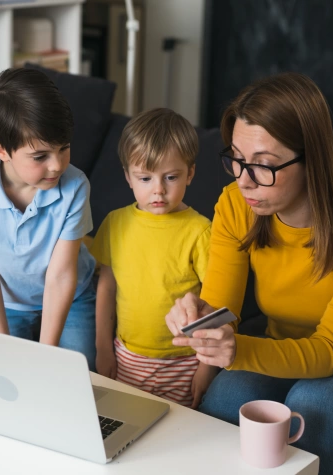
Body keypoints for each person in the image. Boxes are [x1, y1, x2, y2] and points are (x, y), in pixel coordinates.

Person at [164, 73, 333, 474]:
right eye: (237, 160)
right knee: (226, 399)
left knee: (315, 404)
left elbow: (329, 352)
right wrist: (198, 319)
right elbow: (221, 309)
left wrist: (237, 350)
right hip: (289, 354)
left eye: (263, 166)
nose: (244, 180)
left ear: (312, 159)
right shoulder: (237, 204)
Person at [0, 68, 97, 370]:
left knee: (76, 374)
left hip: (72, 294)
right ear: (1, 150)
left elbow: (61, 275)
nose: (57, 165)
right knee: (6, 375)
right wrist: (0, 344)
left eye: (64, 148)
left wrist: (46, 353)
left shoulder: (75, 186)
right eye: (40, 156)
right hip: (10, 302)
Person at [89, 108, 215, 408]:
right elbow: (106, 288)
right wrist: (102, 347)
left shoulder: (201, 231)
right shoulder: (115, 223)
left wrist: (207, 367)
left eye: (171, 177)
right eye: (145, 178)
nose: (158, 189)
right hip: (127, 357)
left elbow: (216, 302)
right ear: (128, 177)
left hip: (185, 362)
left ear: (190, 173)